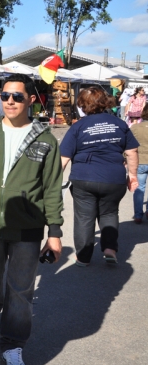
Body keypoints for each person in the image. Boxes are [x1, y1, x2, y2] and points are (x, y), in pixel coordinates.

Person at [0, 73, 64, 365]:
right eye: (5, 95)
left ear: (31, 100)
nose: (10, 101)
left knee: (21, 291)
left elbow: (51, 188)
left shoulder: (46, 140)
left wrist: (55, 232)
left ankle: (13, 345)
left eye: (17, 96)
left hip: (28, 229)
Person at [59, 86, 139, 265]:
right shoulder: (119, 123)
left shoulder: (78, 126)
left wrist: (53, 181)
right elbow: (132, 151)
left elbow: (64, 158)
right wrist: (132, 175)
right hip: (114, 177)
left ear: (82, 105)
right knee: (110, 213)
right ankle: (110, 249)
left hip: (84, 177)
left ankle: (83, 256)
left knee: (84, 217)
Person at [131, 105, 148, 223]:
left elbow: (129, 145)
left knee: (139, 188)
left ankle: (138, 215)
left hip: (141, 160)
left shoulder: (135, 128)